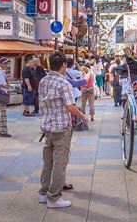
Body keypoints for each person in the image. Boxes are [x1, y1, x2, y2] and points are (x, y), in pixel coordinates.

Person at [37, 52, 90, 209]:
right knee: (60, 163)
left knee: (48, 162)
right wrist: (82, 115)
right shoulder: (63, 83)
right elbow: (70, 106)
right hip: (61, 128)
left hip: (47, 126)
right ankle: (54, 197)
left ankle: (43, 192)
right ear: (64, 65)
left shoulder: (43, 80)